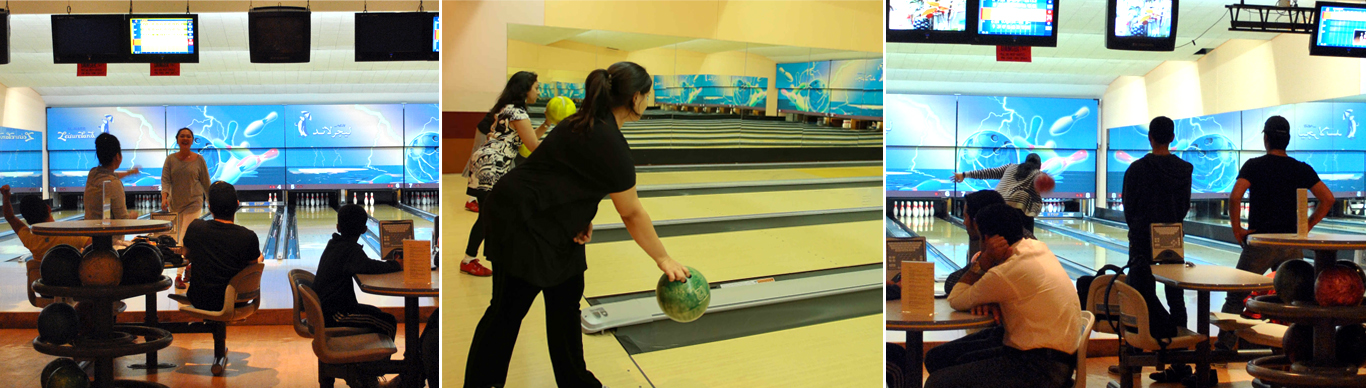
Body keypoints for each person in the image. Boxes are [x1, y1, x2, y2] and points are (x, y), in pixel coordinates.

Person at [464, 61, 691, 388]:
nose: (649, 99)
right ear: (635, 98)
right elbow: (632, 213)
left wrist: (581, 217)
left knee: (566, 300)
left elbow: (566, 175)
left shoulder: (584, 123)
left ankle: (576, 382)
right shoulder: (609, 142)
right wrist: (663, 258)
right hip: (522, 221)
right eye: (648, 93)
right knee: (506, 312)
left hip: (549, 221)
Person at [925, 204, 1081, 388]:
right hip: (1052, 359)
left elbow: (956, 299)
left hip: (1040, 368)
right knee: (939, 358)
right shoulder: (1036, 247)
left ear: (988, 239)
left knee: (937, 383)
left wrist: (984, 260)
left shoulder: (1007, 271)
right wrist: (993, 299)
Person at [1221, 116, 1333, 342]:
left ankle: (1224, 346)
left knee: (1235, 296)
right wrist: (1306, 226)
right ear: (1288, 140)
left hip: (1261, 242)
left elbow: (1235, 197)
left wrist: (1237, 229)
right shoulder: (1301, 169)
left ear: (1266, 139)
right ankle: (1294, 348)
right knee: (1293, 299)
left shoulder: (1253, 165)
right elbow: (1327, 199)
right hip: (1291, 243)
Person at [1120, 116, 1195, 382]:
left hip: (1141, 235)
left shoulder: (1137, 169)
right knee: (1176, 297)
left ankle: (1134, 360)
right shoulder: (1185, 168)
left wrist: (1139, 228)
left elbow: (1129, 206)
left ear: (1149, 137)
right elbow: (1185, 206)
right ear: (1172, 137)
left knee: (1138, 294)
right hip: (1172, 236)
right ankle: (1180, 360)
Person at [461, 71, 554, 277]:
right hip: (493, 164)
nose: (539, 92)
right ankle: (473, 259)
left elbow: (523, 142)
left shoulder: (508, 109)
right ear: (525, 89)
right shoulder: (517, 113)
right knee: (493, 214)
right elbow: (532, 146)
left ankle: (473, 258)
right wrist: (558, 154)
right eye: (537, 87)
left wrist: (547, 124)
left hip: (487, 161)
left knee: (489, 214)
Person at [314, 204, 403, 337]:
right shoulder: (350, 250)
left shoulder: (334, 243)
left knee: (377, 313)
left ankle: (372, 356)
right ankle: (378, 357)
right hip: (335, 314)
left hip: (328, 309)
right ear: (364, 229)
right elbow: (370, 266)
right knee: (388, 322)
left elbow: (365, 265)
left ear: (338, 227)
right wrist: (397, 264)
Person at [183, 182, 262, 312]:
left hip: (200, 300)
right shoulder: (248, 237)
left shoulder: (196, 228)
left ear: (209, 208)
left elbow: (186, 254)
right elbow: (252, 267)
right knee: (258, 257)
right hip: (237, 301)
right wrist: (260, 258)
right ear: (237, 204)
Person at [162, 127, 212, 288]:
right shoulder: (170, 159)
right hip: (176, 204)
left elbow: (205, 182)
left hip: (194, 203)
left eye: (188, 136)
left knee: (185, 237)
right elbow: (166, 180)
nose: (185, 138)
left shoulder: (199, 160)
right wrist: (164, 197)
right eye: (182, 136)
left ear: (192, 140)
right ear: (177, 140)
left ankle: (179, 275)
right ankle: (190, 266)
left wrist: (211, 201)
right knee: (180, 239)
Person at [953, 153, 1046, 232]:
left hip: (997, 205)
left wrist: (964, 174)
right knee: (1026, 240)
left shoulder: (1010, 167)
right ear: (1039, 165)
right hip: (1017, 209)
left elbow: (989, 172)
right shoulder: (1037, 174)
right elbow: (1037, 198)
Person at [2, 184, 92, 259]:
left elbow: (10, 217)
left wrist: (6, 197)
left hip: (43, 279)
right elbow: (96, 247)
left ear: (28, 222)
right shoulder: (71, 235)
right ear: (49, 208)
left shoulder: (30, 239)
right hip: (71, 279)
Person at [84, 133, 141, 221]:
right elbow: (123, 221)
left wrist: (130, 172)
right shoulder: (114, 184)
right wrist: (133, 216)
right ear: (118, 156)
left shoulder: (93, 174)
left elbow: (112, 175)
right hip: (108, 234)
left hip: (90, 232)